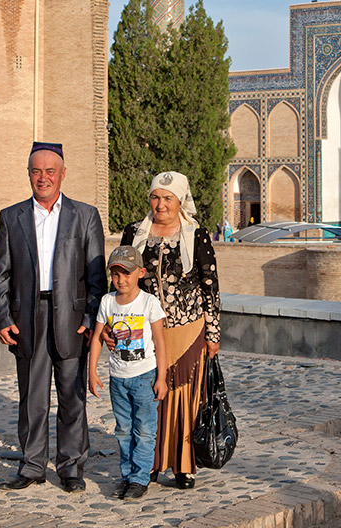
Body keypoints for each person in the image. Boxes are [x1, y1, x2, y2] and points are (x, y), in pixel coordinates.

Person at [0, 142, 106, 493]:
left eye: (50, 171)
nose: (43, 178)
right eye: (36, 171)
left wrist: (90, 316)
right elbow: (1, 275)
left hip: (71, 319)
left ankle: (71, 467)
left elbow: (96, 276)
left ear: (62, 174)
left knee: (72, 397)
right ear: (28, 174)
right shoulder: (11, 217)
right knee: (32, 396)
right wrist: (1, 317)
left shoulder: (84, 215)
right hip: (28, 316)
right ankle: (32, 465)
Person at [117, 171, 221, 490]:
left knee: (184, 397)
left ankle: (183, 465)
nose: (160, 204)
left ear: (180, 202)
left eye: (168, 198)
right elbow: (121, 281)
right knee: (147, 396)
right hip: (146, 331)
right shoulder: (135, 233)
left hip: (188, 329)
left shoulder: (195, 234)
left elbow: (210, 286)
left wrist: (213, 333)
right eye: (155, 197)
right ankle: (147, 462)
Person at [88, 246, 168, 500]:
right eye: (116, 274)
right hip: (117, 378)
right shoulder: (107, 301)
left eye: (127, 274)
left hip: (144, 376)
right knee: (123, 429)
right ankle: (127, 474)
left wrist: (162, 378)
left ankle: (140, 477)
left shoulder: (149, 302)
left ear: (140, 273)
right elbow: (97, 338)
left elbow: (160, 342)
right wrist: (92, 371)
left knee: (144, 430)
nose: (121, 280)